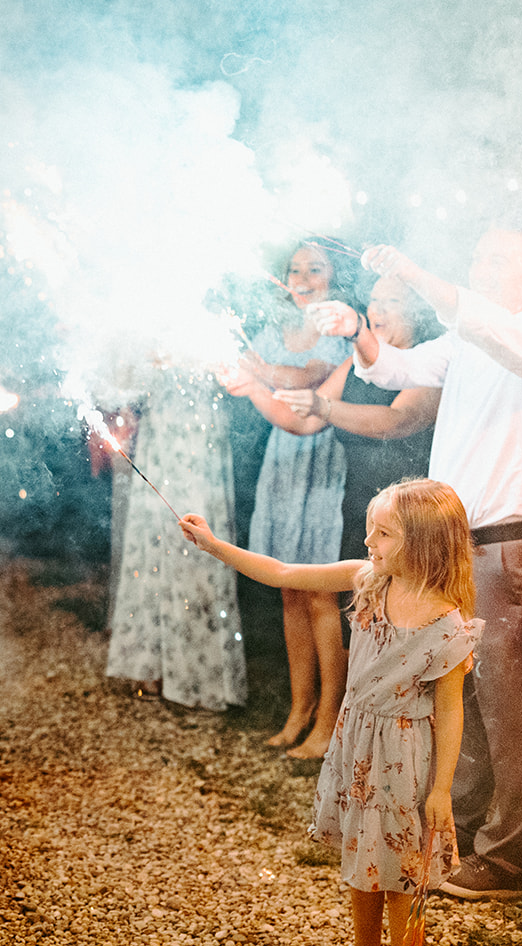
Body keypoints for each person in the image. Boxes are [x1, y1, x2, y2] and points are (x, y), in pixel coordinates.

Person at [182, 478, 478, 946]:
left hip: (404, 760)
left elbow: (451, 712)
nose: (368, 542)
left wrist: (441, 790)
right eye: (370, 530)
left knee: (403, 872)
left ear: (424, 543)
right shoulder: (369, 580)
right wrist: (214, 545)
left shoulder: (447, 626)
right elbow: (284, 573)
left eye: (383, 533)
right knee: (364, 851)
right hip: (358, 744)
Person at [311, 225, 522, 901]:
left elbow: (474, 316)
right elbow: (396, 370)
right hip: (455, 546)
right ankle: (459, 831)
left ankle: (504, 860)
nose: (481, 264)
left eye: (499, 257)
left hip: (505, 542)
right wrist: (357, 330)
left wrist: (412, 272)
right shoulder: (467, 336)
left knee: (508, 703)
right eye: (478, 253)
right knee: (458, 688)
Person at [233, 274, 440, 756]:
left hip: (411, 512)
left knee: (403, 629)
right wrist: (252, 388)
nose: (377, 311)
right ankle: (335, 727)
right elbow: (300, 420)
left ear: (417, 312)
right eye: (374, 301)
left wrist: (324, 405)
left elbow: (394, 421)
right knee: (360, 623)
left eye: (391, 302)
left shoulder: (428, 363)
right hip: (361, 509)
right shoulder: (356, 363)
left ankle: (393, 749)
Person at [229, 243, 353, 757]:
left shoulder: (339, 330)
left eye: (314, 269)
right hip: (282, 458)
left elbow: (306, 379)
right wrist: (242, 367)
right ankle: (300, 709)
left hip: (322, 455)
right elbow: (247, 369)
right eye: (294, 269)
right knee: (288, 589)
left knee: (321, 593)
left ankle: (330, 720)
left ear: (333, 278)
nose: (302, 278)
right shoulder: (271, 332)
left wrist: (258, 373)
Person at [104, 363, 247, 711]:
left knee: (196, 541)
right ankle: (150, 663)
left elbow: (234, 372)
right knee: (153, 541)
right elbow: (123, 381)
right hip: (160, 434)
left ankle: (199, 674)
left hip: (198, 433)